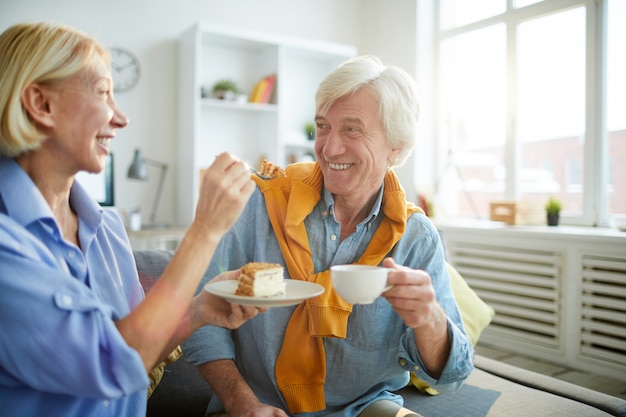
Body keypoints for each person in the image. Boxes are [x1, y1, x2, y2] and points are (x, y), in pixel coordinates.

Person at [183, 55, 474, 417]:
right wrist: (243, 403)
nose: (329, 147)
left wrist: (428, 318)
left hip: (368, 408)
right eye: (323, 127)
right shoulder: (257, 203)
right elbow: (200, 321)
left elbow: (452, 376)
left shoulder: (416, 236)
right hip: (258, 406)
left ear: (396, 148)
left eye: (352, 129)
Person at [0, 21, 262, 417]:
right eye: (104, 92)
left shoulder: (106, 228)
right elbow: (110, 362)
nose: (120, 119)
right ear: (41, 104)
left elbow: (140, 349)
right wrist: (205, 230)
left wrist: (198, 310)